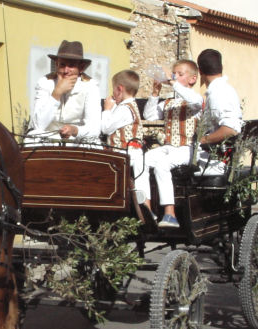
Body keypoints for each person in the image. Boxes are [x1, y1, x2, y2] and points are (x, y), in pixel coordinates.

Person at [134, 59, 203, 228]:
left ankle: (170, 214)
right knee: (140, 161)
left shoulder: (195, 101)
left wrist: (172, 82)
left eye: (181, 74)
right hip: (168, 146)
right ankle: (146, 208)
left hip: (188, 148)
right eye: (175, 74)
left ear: (192, 79)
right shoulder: (168, 102)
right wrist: (155, 92)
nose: (175, 77)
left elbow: (195, 100)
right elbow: (150, 115)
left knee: (162, 166)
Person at [27, 40, 101, 144]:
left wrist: (75, 130)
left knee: (94, 144)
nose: (66, 71)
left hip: (78, 140)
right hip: (47, 138)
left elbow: (94, 128)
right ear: (56, 64)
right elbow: (38, 125)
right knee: (31, 137)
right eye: (62, 65)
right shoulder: (45, 82)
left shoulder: (91, 86)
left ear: (81, 68)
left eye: (71, 65)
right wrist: (57, 93)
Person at [197, 49, 242, 173]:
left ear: (200, 71)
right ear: (221, 67)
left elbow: (230, 129)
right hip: (218, 157)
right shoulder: (227, 89)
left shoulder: (218, 93)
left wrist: (202, 140)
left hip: (215, 162)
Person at [101, 69, 144, 177]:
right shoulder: (130, 105)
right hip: (133, 151)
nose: (113, 93)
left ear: (119, 89)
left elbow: (106, 128)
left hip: (124, 152)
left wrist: (106, 109)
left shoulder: (124, 109)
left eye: (114, 89)